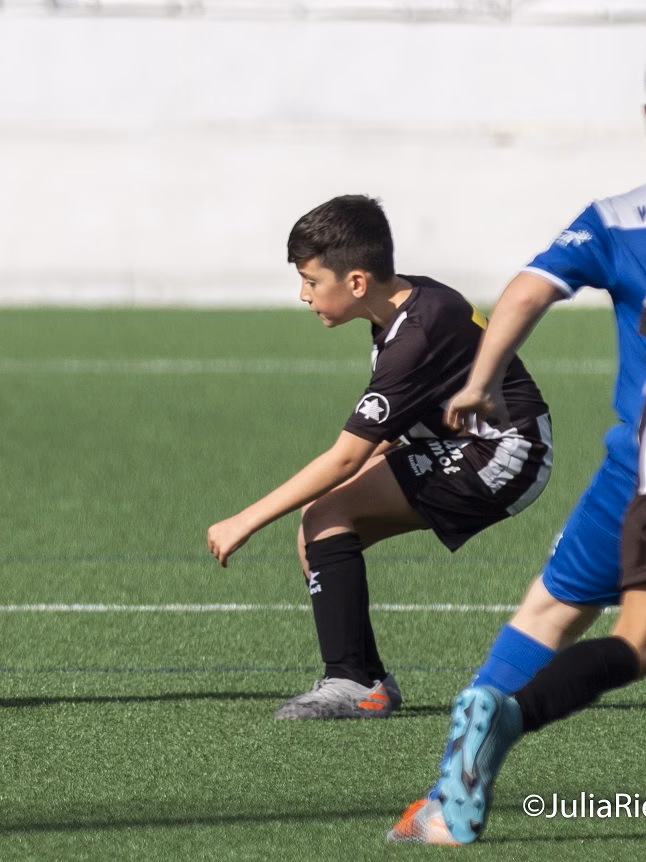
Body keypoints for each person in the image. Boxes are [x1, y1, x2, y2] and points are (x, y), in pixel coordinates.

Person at [388, 32, 646, 843]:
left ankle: (450, 799)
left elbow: (525, 291)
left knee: (557, 609)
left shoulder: (619, 216)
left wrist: (481, 379)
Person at [206, 194, 553, 719]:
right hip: (461, 442)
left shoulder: (415, 333)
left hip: (503, 454)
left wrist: (245, 520)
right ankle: (367, 684)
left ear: (357, 282)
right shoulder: (409, 305)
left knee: (327, 513)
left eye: (311, 280)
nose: (303, 294)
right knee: (318, 530)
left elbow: (346, 458)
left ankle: (350, 682)